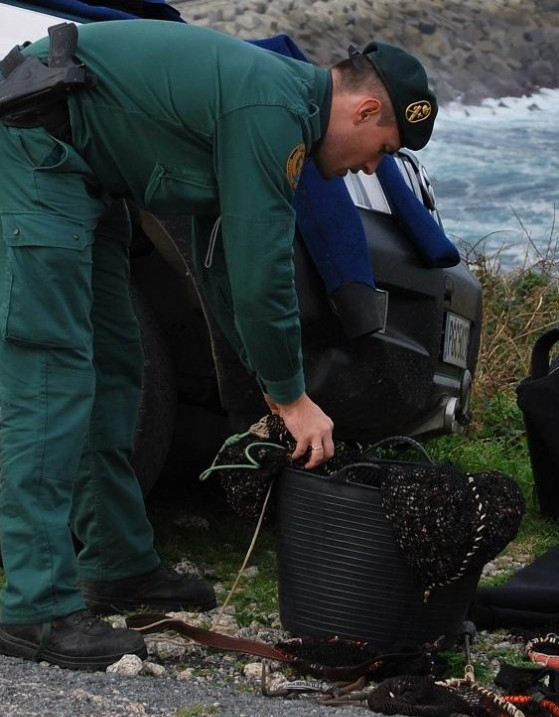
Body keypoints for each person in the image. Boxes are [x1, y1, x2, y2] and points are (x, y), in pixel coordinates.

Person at [0, 19, 438, 670]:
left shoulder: (278, 105)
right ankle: (34, 607)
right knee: (51, 380)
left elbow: (220, 267)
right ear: (366, 108)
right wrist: (290, 398)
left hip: (88, 179)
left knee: (120, 369)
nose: (371, 166)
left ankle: (117, 567)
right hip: (35, 158)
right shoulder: (272, 114)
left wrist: (267, 386)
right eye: (381, 146)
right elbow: (262, 273)